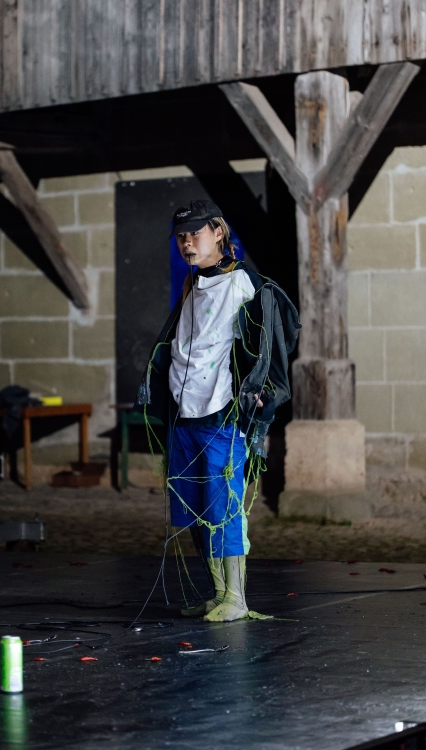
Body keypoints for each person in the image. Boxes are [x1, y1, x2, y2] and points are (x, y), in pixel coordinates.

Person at [136, 199, 300, 622]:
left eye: (195, 233)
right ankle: (218, 592)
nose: (187, 243)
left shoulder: (244, 283)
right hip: (184, 413)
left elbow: (268, 343)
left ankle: (237, 599)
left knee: (224, 508)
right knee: (194, 509)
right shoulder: (192, 284)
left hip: (221, 413)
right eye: (180, 237)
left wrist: (261, 392)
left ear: (218, 232)